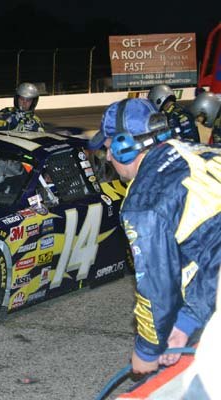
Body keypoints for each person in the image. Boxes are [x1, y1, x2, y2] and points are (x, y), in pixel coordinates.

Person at [88, 98, 221, 385]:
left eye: (110, 148)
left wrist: (147, 351)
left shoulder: (145, 200)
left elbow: (157, 287)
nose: (108, 158)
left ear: (126, 147)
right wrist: (185, 324)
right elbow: (212, 255)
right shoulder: (200, 152)